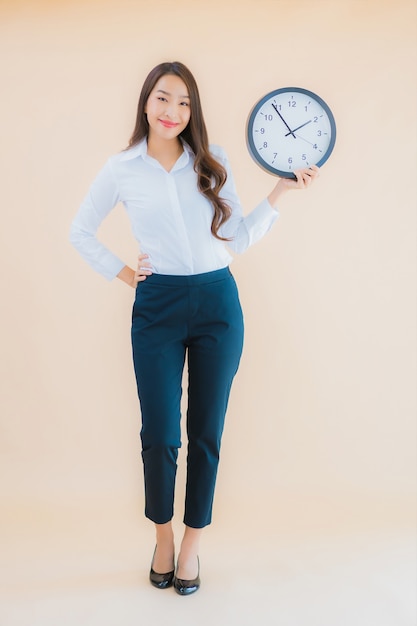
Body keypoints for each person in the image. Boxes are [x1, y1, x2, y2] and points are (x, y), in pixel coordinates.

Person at [69, 61, 319, 596]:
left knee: (207, 434)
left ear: (192, 111)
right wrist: (127, 274)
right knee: (160, 435)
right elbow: (80, 231)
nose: (172, 111)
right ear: (145, 102)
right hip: (156, 305)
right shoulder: (122, 168)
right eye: (163, 98)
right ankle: (161, 536)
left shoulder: (211, 161)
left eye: (183, 103)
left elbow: (235, 240)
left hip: (216, 303)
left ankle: (191, 547)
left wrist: (278, 193)